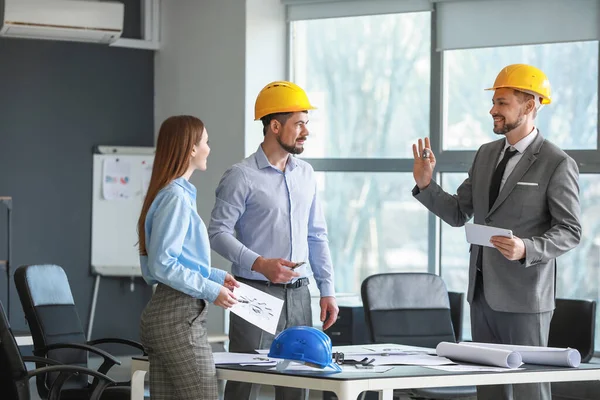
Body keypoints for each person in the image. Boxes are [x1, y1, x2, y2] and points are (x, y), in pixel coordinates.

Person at [412, 64, 581, 400]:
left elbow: (570, 230)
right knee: (489, 391)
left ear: (530, 105)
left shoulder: (556, 162)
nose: (493, 110)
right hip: (482, 296)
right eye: (494, 103)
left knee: (528, 390)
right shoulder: (486, 154)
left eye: (502, 102)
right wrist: (426, 184)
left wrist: (527, 249)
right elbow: (460, 212)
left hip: (525, 298)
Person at [208, 81, 339, 400]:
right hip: (253, 292)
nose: (306, 131)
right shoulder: (241, 176)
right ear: (275, 125)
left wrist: (327, 289)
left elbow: (316, 235)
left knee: (298, 380)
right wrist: (259, 263)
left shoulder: (306, 173)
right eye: (299, 124)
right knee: (244, 379)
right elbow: (217, 232)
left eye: (307, 123)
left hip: (299, 294)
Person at [137, 115, 239, 400]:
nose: (209, 148)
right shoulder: (175, 197)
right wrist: (210, 289)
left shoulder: (172, 194)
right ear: (191, 148)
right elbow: (163, 264)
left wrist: (215, 277)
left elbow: (177, 259)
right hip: (177, 316)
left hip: (167, 313)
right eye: (206, 141)